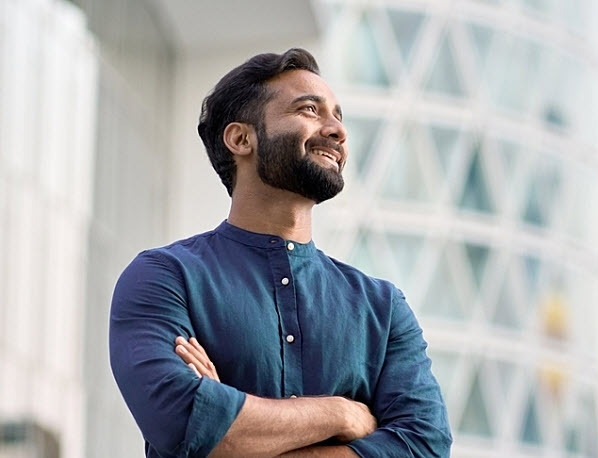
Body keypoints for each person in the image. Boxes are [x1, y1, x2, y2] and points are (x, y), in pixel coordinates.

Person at [109, 48, 452, 458]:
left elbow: (425, 446)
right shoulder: (165, 277)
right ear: (241, 138)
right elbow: (181, 421)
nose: (337, 130)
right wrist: (341, 415)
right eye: (310, 109)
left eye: (338, 116)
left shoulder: (382, 306)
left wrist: (232, 427)